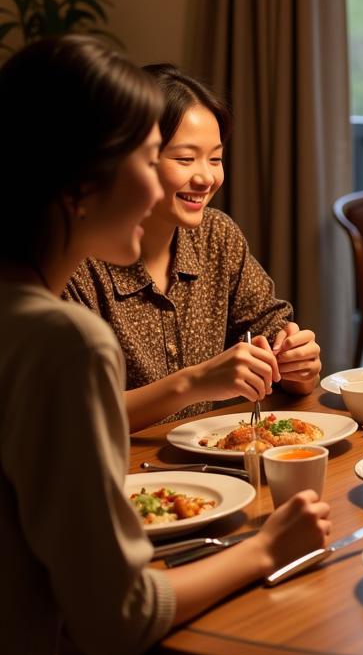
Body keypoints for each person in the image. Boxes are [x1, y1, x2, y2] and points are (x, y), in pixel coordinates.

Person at [0, 37, 331, 655]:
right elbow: (118, 621)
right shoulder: (61, 340)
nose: (168, 185)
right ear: (78, 181)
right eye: (152, 158)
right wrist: (267, 548)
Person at [65, 64, 321, 431]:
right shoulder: (77, 261)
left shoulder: (217, 236)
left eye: (215, 158)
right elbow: (72, 413)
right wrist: (193, 383)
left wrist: (297, 364)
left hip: (217, 466)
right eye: (185, 159)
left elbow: (278, 344)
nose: (205, 178)